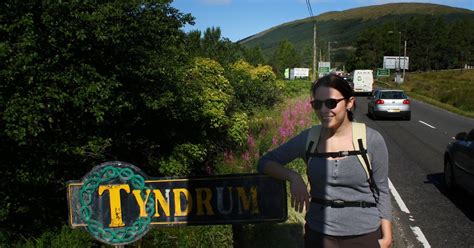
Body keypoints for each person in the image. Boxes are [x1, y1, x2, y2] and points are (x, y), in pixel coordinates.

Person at [257, 74, 392, 248]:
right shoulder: (309, 139)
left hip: (364, 233)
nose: (323, 110)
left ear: (349, 102)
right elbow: (265, 162)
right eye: (317, 104)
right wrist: (293, 176)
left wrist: (387, 237)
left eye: (331, 103)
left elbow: (382, 190)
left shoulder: (371, 140)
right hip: (319, 233)